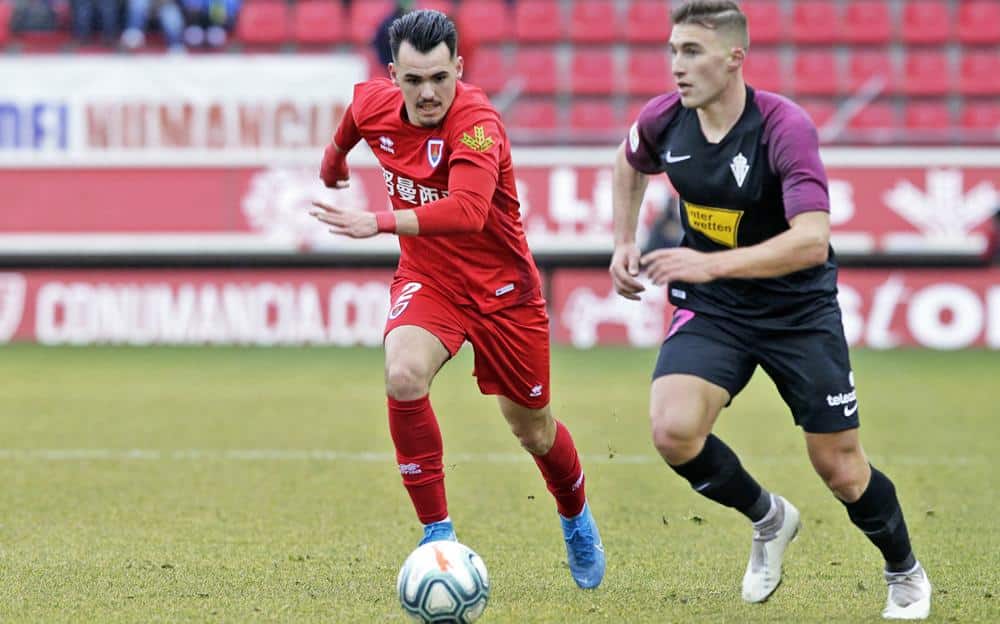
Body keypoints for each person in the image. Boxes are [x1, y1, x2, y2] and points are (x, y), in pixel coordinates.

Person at [610, 1, 930, 619]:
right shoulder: (664, 119)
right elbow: (628, 162)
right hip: (715, 307)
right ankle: (769, 518)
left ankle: (905, 572)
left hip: (796, 310)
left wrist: (708, 263)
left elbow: (811, 239)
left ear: (734, 58)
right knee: (673, 430)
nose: (677, 66)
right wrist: (624, 239)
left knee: (839, 467)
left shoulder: (784, 126)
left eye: (693, 52)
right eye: (674, 50)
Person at [310, 9, 605, 589]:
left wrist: (379, 221)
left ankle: (575, 515)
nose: (427, 93)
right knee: (403, 375)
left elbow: (469, 213)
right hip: (431, 280)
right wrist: (332, 165)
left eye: (440, 78)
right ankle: (437, 535)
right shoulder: (373, 102)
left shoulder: (477, 124)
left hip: (504, 295)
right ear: (393, 74)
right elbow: (351, 122)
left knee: (534, 432)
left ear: (459, 69)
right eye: (414, 80)